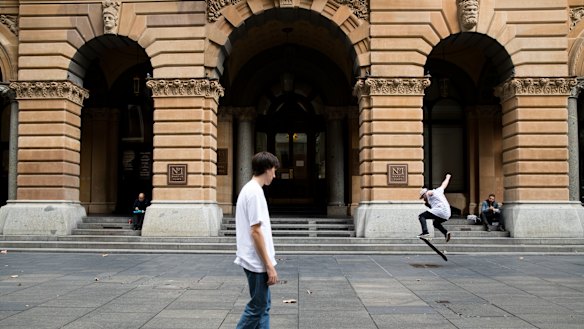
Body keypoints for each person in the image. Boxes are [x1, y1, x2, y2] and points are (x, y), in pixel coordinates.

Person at [234, 151, 280, 329]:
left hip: (255, 259)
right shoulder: (254, 193)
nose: (274, 175)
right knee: (257, 307)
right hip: (256, 261)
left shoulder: (251, 190)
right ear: (267, 169)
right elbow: (256, 232)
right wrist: (269, 265)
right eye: (274, 171)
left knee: (263, 306)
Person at [417, 173, 452, 242]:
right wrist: (448, 177)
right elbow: (444, 184)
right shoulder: (439, 190)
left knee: (421, 216)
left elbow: (430, 193)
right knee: (435, 223)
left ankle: (425, 233)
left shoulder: (429, 193)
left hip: (440, 210)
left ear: (424, 194)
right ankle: (445, 232)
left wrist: (428, 193)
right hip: (447, 213)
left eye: (423, 197)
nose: (424, 199)